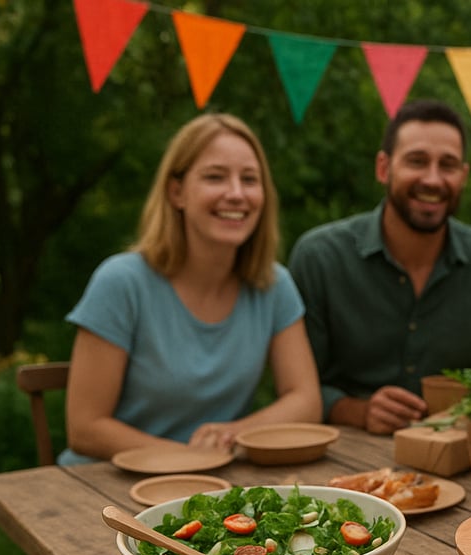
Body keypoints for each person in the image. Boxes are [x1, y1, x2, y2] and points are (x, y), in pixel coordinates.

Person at [61, 113, 321, 464]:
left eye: (249, 179)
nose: (236, 193)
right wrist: (190, 458)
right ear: (177, 192)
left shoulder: (273, 285)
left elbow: (305, 400)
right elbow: (85, 428)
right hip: (103, 491)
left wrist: (229, 436)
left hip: (211, 488)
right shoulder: (121, 282)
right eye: (215, 177)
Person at [288, 99, 471, 434]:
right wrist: (359, 411)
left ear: (463, 177)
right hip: (340, 453)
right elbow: (295, 390)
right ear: (383, 168)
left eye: (447, 165)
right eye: (417, 161)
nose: (432, 179)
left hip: (456, 454)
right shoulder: (319, 257)